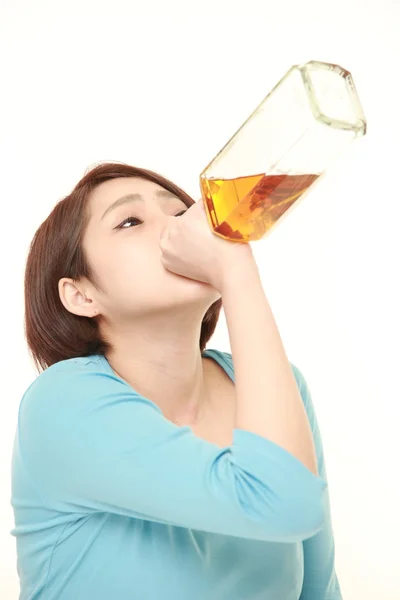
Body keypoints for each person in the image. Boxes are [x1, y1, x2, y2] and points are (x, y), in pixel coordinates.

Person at [10, 161, 342, 599]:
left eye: (182, 212)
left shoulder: (275, 388)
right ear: (81, 294)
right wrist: (237, 272)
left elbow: (318, 590)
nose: (177, 227)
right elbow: (283, 503)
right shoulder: (61, 405)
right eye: (130, 221)